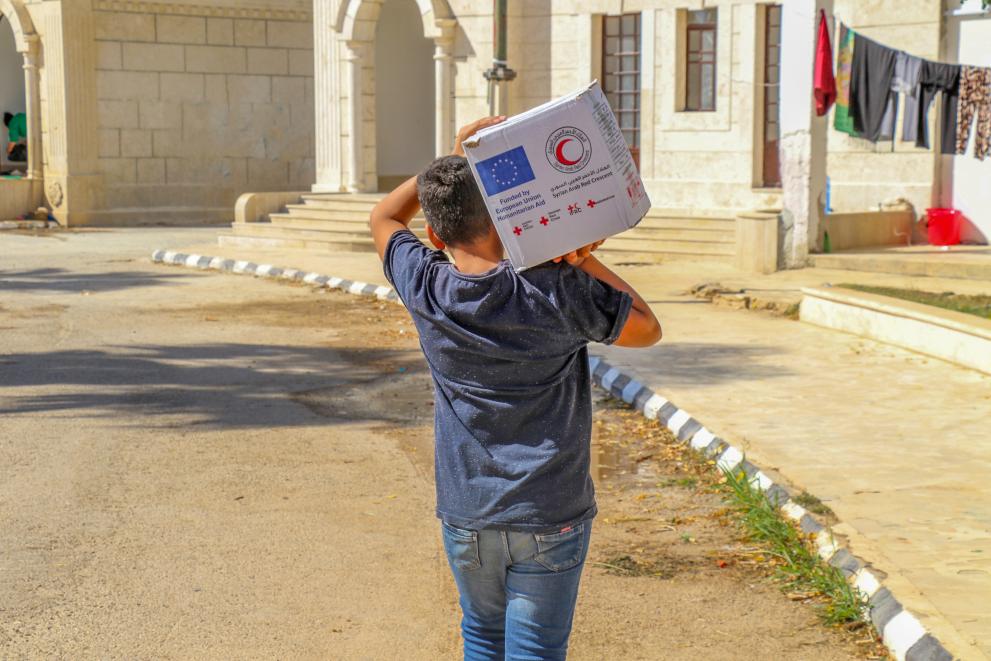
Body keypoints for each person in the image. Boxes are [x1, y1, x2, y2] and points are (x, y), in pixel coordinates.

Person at [369, 116, 662, 660]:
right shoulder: (556, 288)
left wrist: (448, 162)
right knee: (538, 649)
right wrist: (581, 255)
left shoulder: (426, 285)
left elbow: (385, 215)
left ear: (434, 235)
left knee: (481, 635)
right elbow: (647, 326)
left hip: (468, 510)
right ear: (511, 218)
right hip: (552, 509)